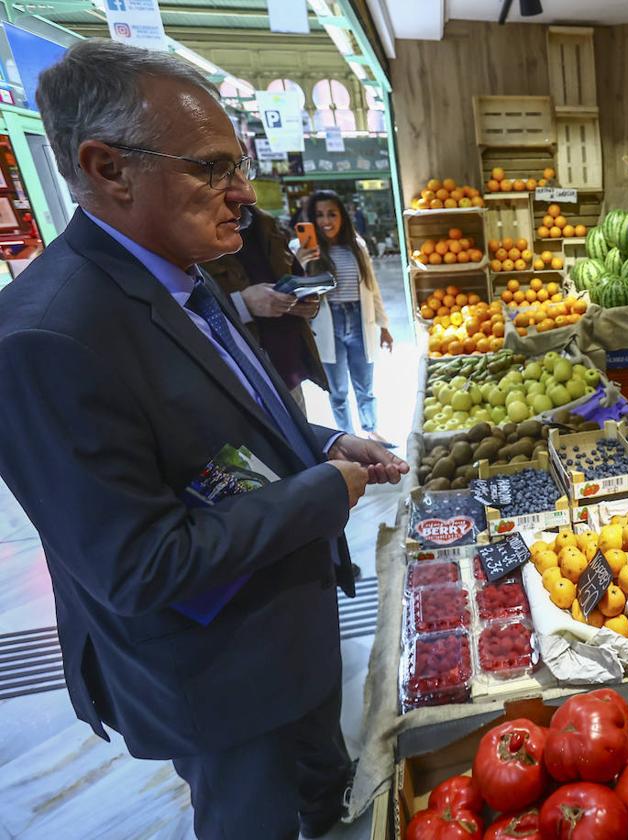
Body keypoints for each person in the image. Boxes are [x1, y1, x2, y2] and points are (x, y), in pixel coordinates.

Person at [0, 40, 408, 839]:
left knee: (326, 796)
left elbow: (231, 422)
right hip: (217, 675)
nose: (244, 195)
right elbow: (136, 564)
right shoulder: (46, 339)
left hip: (288, 623)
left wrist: (322, 443)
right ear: (108, 168)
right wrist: (322, 494)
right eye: (213, 169)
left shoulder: (184, 273)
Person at [203, 205, 328, 412]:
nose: (244, 188)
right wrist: (243, 303)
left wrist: (307, 302)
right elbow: (186, 309)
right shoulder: (195, 233)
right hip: (242, 379)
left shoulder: (264, 224)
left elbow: (294, 276)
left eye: (246, 172)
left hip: (288, 368)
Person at [297, 189, 394, 444]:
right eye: (319, 215)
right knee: (338, 390)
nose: (326, 220)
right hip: (329, 324)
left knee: (365, 385)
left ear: (343, 216)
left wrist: (384, 326)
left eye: (332, 214)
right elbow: (296, 290)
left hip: (361, 321)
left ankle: (372, 431)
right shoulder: (302, 248)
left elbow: (372, 288)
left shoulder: (357, 246)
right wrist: (299, 262)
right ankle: (349, 438)